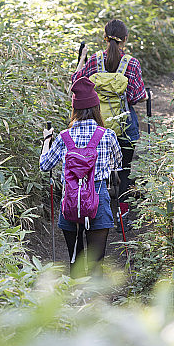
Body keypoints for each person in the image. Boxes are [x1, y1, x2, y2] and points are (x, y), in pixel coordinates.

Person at [40, 77, 123, 276]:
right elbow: (118, 164)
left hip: (70, 202)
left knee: (75, 261)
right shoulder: (107, 135)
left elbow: (45, 165)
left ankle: (74, 301)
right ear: (96, 107)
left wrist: (46, 141)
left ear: (74, 110)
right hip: (99, 199)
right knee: (96, 266)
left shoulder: (63, 137)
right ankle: (95, 303)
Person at [72, 19, 146, 232]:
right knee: (124, 172)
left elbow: (76, 84)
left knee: (97, 172)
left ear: (104, 37)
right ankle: (122, 218)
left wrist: (82, 59)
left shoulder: (94, 60)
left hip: (96, 127)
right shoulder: (131, 63)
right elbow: (137, 95)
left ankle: (97, 216)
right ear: (125, 39)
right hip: (124, 126)